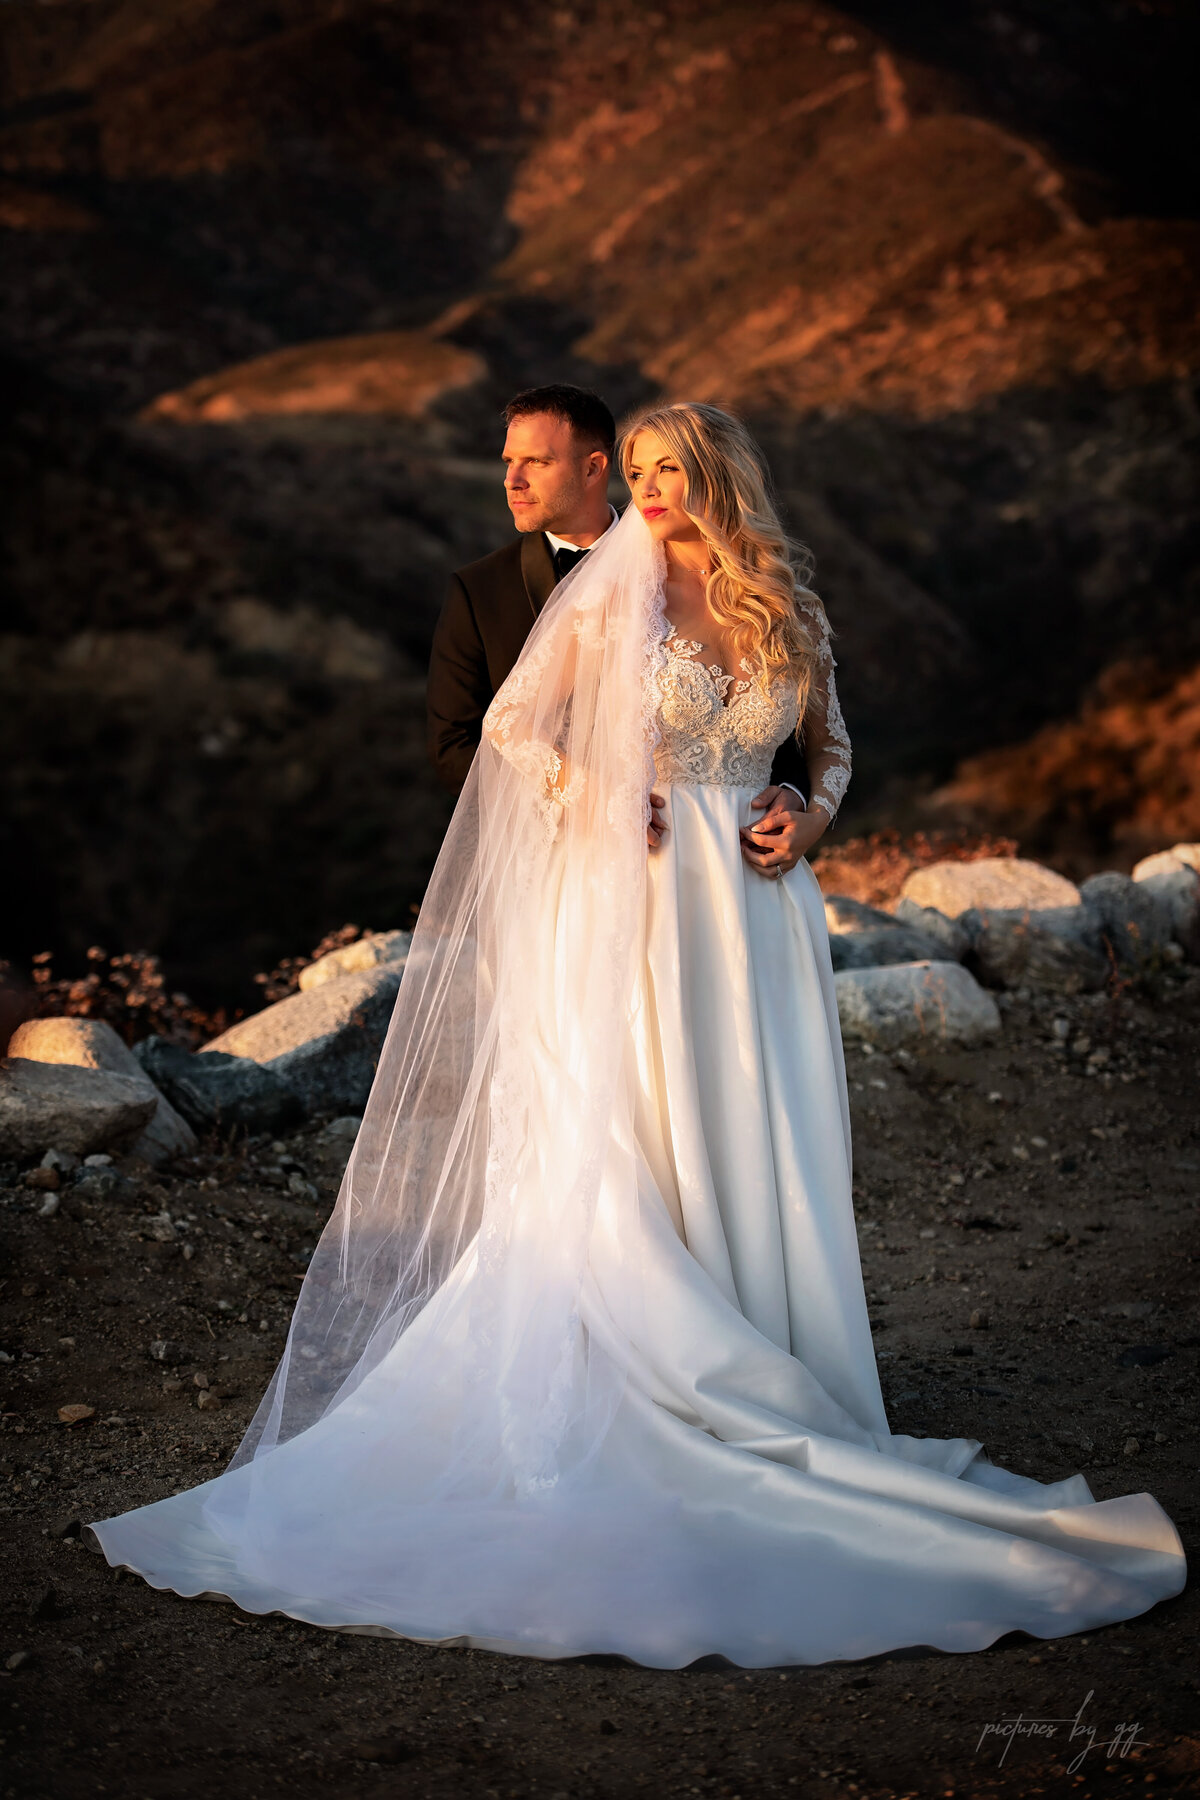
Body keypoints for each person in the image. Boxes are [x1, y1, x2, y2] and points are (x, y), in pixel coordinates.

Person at [89, 403, 1184, 1667]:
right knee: (648, 1130)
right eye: (644, 471)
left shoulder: (788, 605)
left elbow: (828, 749)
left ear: (717, 480)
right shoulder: (612, 601)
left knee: (755, 1127)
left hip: (761, 915)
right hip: (647, 909)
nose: (655, 491)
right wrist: (602, 794)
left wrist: (809, 816)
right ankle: (666, 1369)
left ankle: (778, 1356)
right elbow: (507, 729)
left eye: (676, 472)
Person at [427, 381, 813, 875]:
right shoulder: (478, 589)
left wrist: (799, 799)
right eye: (508, 462)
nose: (512, 480)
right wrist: (584, 808)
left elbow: (782, 720)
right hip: (554, 861)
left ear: (593, 467)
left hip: (734, 851)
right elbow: (455, 744)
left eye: (537, 462)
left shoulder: (729, 585)